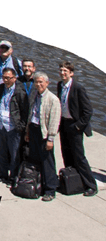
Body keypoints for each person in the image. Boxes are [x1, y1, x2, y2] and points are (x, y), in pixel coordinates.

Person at [57, 62, 97, 196]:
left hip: (75, 126)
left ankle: (90, 185)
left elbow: (88, 111)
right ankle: (73, 182)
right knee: (66, 154)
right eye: (61, 70)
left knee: (79, 157)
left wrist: (79, 126)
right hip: (64, 124)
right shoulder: (60, 85)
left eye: (65, 71)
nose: (63, 73)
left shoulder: (78, 88)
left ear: (71, 73)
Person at [26, 72, 61, 201]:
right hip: (34, 129)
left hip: (44, 133)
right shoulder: (34, 95)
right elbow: (31, 114)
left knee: (48, 162)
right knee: (35, 159)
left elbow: (54, 121)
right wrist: (27, 132)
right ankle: (38, 184)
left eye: (41, 82)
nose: (39, 84)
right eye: (36, 82)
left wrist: (50, 138)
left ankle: (51, 190)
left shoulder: (53, 99)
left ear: (47, 83)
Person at [0, 68, 27, 185]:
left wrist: (20, 127)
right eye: (4, 77)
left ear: (14, 78)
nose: (6, 80)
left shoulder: (20, 92)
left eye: (8, 78)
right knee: (1, 153)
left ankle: (13, 177)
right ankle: (2, 175)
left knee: (14, 155)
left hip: (13, 127)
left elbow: (25, 112)